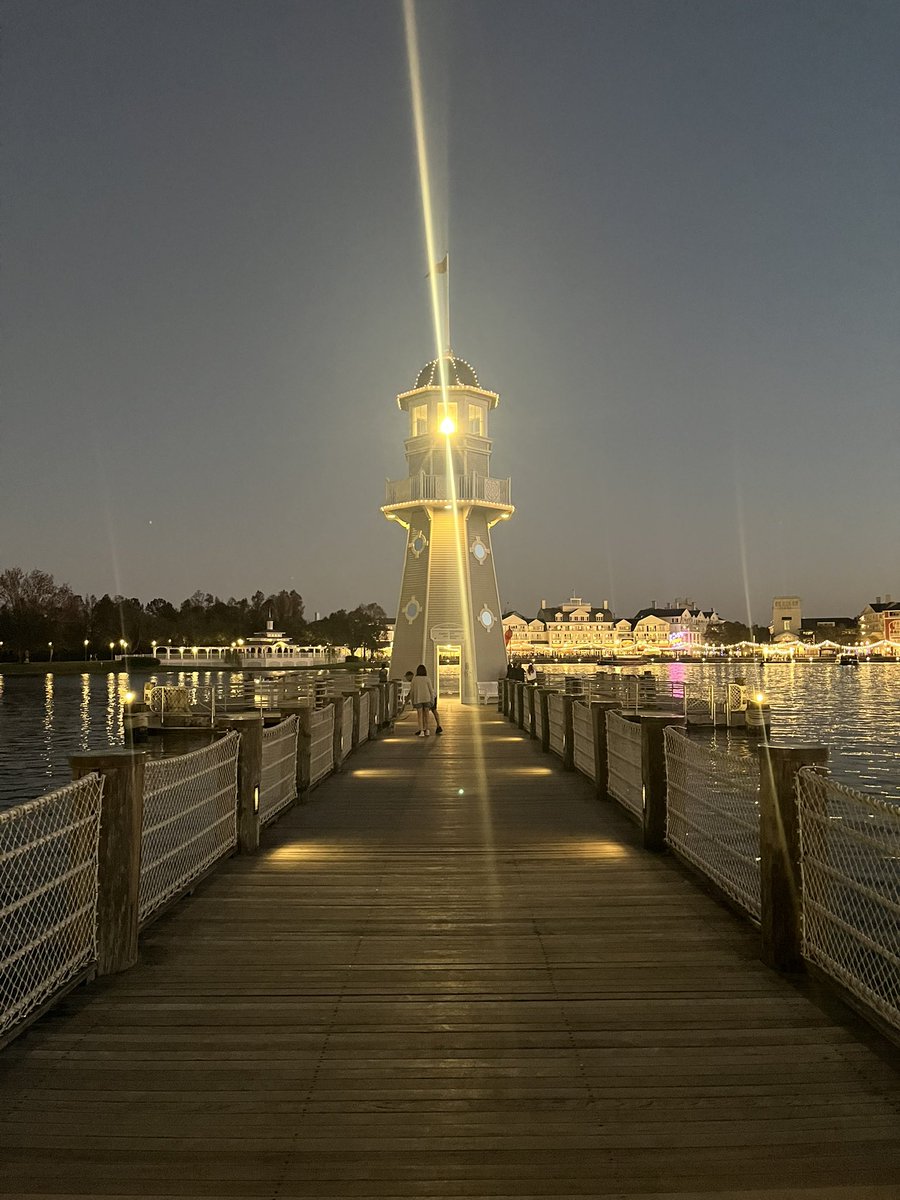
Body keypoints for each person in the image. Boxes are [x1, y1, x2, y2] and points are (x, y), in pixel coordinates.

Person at [409, 664, 436, 736]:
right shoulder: (427, 679)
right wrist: (432, 700)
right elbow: (431, 690)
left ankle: (421, 731)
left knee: (420, 715)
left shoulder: (414, 679)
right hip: (427, 698)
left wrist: (412, 701)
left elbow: (412, 691)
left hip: (418, 699)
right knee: (427, 715)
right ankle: (427, 730)